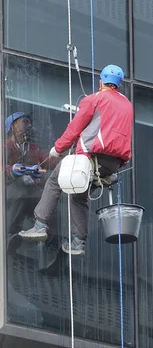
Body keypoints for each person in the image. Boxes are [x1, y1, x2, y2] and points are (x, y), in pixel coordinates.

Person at [19, 65, 133, 256]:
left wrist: (58, 148)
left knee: (55, 181)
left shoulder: (95, 99)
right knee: (78, 194)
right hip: (111, 165)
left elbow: (75, 128)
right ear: (119, 85)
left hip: (90, 158)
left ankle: (39, 225)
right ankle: (78, 242)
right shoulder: (127, 105)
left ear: (101, 81)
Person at [5, 112, 48, 239]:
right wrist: (11, 170)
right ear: (12, 126)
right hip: (9, 187)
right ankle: (11, 233)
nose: (29, 125)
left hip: (30, 189)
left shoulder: (34, 148)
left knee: (46, 197)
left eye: (30, 122)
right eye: (25, 122)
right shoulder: (4, 146)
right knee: (20, 193)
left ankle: (49, 236)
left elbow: (49, 160)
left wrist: (62, 154)